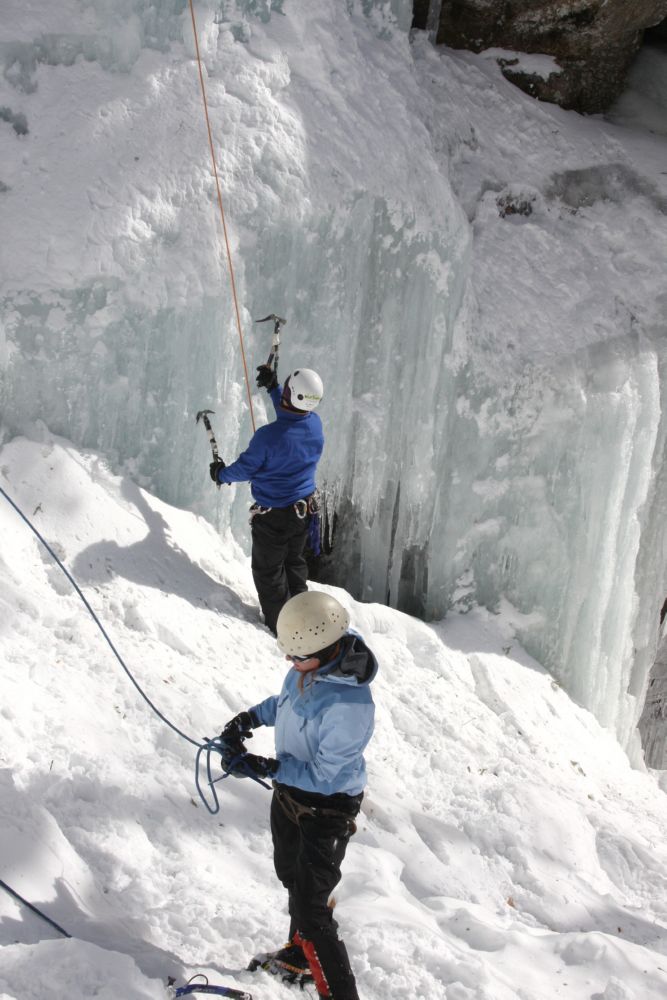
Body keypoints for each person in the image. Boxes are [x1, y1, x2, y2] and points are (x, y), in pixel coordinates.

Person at [219, 591, 377, 1000]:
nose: (290, 661)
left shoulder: (349, 705)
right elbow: (285, 703)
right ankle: (300, 954)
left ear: (325, 652)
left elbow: (325, 776)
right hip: (291, 795)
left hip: (327, 808)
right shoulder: (306, 666)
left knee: (312, 909)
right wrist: (249, 718)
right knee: (292, 876)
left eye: (297, 656)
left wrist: (267, 767)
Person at [210, 364, 324, 635]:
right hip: (303, 513)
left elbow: (245, 469)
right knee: (294, 564)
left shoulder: (267, 437)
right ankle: (302, 617)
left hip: (275, 517)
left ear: (291, 394)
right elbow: (291, 417)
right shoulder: (314, 424)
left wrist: (221, 474)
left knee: (269, 572)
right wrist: (273, 389)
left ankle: (283, 629)